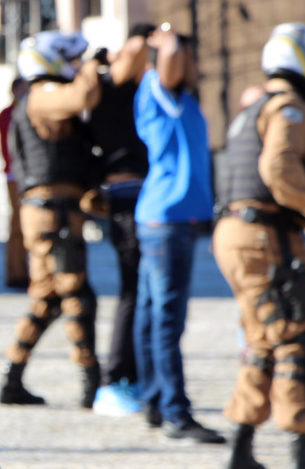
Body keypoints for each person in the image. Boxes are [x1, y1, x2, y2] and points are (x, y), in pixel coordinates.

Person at [213, 22, 305, 468]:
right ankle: (302, 449)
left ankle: (241, 448)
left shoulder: (254, 108)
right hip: (263, 237)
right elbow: (278, 169)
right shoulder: (289, 107)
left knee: (264, 337)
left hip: (240, 233)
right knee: (294, 339)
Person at [0, 30, 104, 408]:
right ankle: (93, 382)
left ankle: (11, 380)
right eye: (70, 60)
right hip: (52, 214)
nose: (75, 67)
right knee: (78, 294)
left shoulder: (40, 97)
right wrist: (93, 68)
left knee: (47, 299)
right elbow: (83, 96)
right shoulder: (43, 94)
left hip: (52, 212)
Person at [130, 26, 224, 445]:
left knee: (152, 316)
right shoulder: (158, 90)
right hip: (167, 221)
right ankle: (175, 413)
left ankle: (154, 402)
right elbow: (167, 55)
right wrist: (166, 36)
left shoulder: (181, 99)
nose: (191, 64)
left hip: (166, 220)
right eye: (187, 57)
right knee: (166, 320)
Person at [87, 23, 155, 416]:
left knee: (141, 290)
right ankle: (115, 377)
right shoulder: (108, 87)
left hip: (136, 195)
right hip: (125, 197)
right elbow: (128, 55)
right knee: (133, 289)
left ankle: (130, 373)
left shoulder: (132, 89)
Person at [0, 77, 30, 290]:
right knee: (18, 224)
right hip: (17, 175)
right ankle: (16, 273)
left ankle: (26, 272)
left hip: (25, 174)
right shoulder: (9, 114)